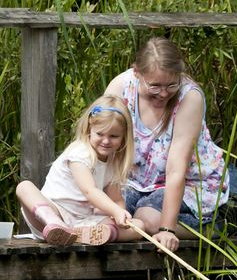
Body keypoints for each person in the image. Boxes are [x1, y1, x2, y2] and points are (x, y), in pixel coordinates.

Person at [104, 37, 237, 252]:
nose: (163, 93)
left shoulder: (189, 97)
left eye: (171, 85)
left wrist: (167, 230)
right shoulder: (120, 87)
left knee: (148, 218)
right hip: (136, 182)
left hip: (188, 183)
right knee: (105, 212)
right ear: (137, 73)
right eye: (155, 86)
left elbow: (176, 169)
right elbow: (104, 141)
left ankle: (216, 225)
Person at [16, 95, 148, 247]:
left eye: (114, 136)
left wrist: (120, 215)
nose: (106, 141)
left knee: (139, 226)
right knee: (24, 187)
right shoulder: (80, 152)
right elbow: (89, 191)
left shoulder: (114, 161)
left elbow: (116, 199)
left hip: (83, 221)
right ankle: (57, 226)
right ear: (89, 129)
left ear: (124, 137)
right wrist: (114, 210)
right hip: (52, 213)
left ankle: (94, 234)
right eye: (100, 134)